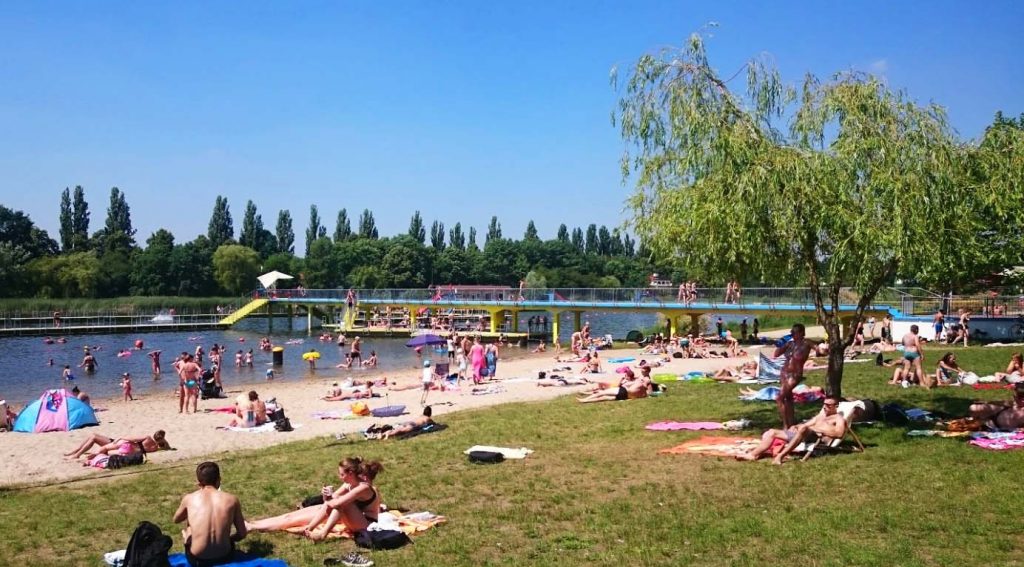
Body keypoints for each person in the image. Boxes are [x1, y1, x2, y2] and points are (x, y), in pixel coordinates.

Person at [246, 457, 382, 541]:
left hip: (366, 525)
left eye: (341, 474)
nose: (339, 476)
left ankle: (321, 534)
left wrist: (329, 499)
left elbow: (338, 503)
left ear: (351, 473)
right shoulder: (349, 484)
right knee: (291, 516)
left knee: (339, 505)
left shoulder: (363, 488)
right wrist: (326, 495)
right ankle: (252, 524)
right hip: (352, 517)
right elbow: (330, 501)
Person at [173, 462, 247, 566]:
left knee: (189, 526)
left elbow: (176, 519)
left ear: (199, 483)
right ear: (219, 480)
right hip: (225, 556)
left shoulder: (189, 499)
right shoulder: (232, 499)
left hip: (197, 560)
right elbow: (242, 533)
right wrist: (228, 539)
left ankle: (190, 538)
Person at [737, 397, 847, 464]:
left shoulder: (838, 418)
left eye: (828, 405)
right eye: (824, 404)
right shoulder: (821, 415)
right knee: (771, 432)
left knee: (803, 428)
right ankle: (753, 455)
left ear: (835, 406)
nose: (824, 407)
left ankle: (780, 456)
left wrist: (818, 430)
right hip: (804, 434)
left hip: (817, 438)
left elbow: (839, 433)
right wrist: (797, 426)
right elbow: (806, 425)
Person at [775, 324, 813, 429]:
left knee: (779, 397)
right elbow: (776, 354)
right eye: (791, 332)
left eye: (794, 332)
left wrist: (824, 349)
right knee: (788, 398)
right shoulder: (790, 344)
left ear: (801, 333)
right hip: (784, 372)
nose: (792, 334)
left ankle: (785, 425)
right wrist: (782, 343)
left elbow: (819, 349)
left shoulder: (806, 343)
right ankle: (791, 423)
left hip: (795, 374)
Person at [65, 430, 170, 459]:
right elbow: (168, 447)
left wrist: (120, 437)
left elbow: (132, 438)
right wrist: (164, 442)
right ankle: (76, 452)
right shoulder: (155, 448)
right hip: (124, 446)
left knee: (93, 436)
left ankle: (76, 454)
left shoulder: (147, 438)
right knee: (93, 436)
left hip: (119, 443)